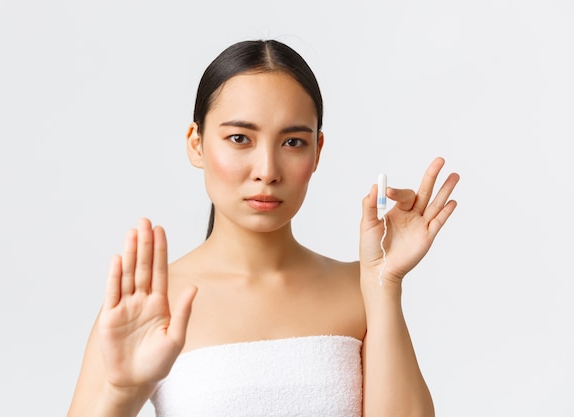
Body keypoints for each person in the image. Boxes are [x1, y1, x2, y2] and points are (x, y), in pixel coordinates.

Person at [66, 39, 460, 417]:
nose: (267, 171)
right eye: (240, 138)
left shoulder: (359, 289)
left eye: (292, 142)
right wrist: (122, 394)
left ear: (317, 151)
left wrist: (384, 282)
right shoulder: (149, 303)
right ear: (196, 143)